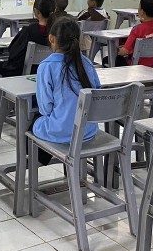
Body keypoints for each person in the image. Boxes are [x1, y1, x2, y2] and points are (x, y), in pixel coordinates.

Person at [32, 16, 102, 164]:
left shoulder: (47, 66)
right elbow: (97, 95)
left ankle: (36, 164)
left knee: (33, 122)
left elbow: (45, 109)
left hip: (62, 132)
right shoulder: (87, 63)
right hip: (87, 131)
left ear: (51, 38)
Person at [0, 0, 55, 77]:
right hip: (50, 72)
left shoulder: (29, 30)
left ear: (36, 11)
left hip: (27, 72)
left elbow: (14, 54)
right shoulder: (59, 31)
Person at [114, 0, 153, 67]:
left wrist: (117, 50)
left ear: (142, 12)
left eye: (139, 7)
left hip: (137, 67)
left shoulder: (137, 29)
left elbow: (125, 51)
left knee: (111, 59)